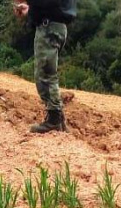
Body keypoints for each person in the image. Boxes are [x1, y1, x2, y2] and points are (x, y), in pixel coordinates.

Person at [14, 0, 77, 133]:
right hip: (56, 26)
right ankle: (58, 121)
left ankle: (54, 120)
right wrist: (30, 9)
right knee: (48, 74)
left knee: (45, 76)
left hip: (48, 28)